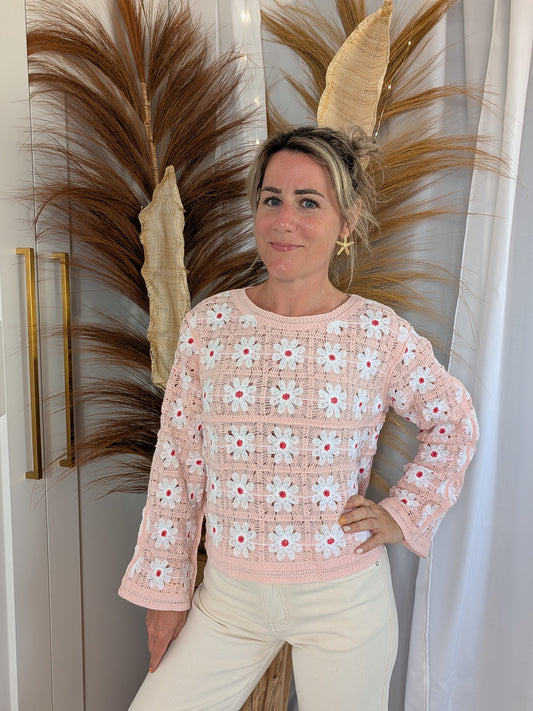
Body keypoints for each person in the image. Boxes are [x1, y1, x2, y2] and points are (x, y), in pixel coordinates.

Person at [119, 125, 478, 711]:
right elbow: (178, 464)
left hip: (344, 604)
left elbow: (453, 420)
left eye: (309, 202)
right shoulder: (210, 326)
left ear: (347, 221)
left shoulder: (377, 333)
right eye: (272, 199)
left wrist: (404, 512)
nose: (284, 221)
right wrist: (166, 594)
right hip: (229, 602)